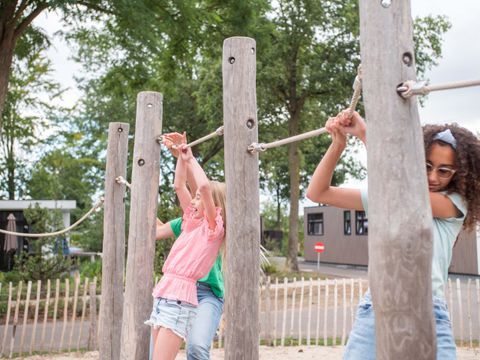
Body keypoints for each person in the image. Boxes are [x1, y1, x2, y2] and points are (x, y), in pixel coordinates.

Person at [306, 110, 480, 359]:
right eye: (427, 165)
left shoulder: (455, 202)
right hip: (378, 305)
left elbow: (406, 192)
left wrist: (366, 135)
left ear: (459, 174)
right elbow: (318, 193)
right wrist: (338, 146)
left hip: (429, 308)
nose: (432, 176)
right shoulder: (387, 195)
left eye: (444, 171)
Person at [145, 132, 226, 360]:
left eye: (199, 199)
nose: (195, 200)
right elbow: (180, 185)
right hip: (165, 293)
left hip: (183, 296)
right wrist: (180, 157)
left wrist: (189, 157)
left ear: (214, 207)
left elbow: (205, 188)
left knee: (194, 348)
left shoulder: (212, 230)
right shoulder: (189, 223)